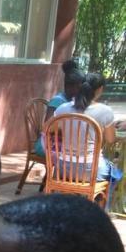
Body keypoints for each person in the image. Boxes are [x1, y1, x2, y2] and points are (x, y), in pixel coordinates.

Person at [52, 72, 122, 206]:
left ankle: (74, 202)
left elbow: (48, 129)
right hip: (90, 171)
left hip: (62, 168)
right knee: (116, 173)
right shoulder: (105, 111)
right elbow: (111, 139)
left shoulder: (62, 108)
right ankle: (98, 210)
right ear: (100, 89)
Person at [33, 60, 84, 157]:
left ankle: (64, 171)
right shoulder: (58, 101)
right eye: (80, 87)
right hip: (48, 144)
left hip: (64, 142)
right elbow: (47, 128)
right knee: (76, 155)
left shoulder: (74, 101)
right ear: (69, 87)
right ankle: (62, 171)